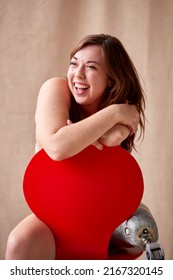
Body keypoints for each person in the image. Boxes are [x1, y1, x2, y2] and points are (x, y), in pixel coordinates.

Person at [5, 34, 145, 260]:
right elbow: (57, 147)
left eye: (91, 67)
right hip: (52, 214)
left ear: (111, 78)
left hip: (101, 213)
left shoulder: (126, 106)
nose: (77, 74)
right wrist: (114, 113)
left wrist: (76, 134)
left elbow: (111, 141)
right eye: (74, 63)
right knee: (20, 242)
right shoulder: (56, 88)